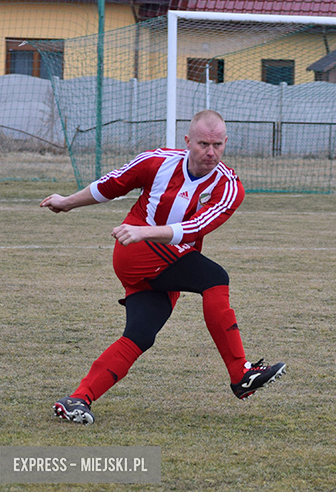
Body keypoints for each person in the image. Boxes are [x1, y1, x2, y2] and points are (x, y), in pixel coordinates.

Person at [41, 110, 286, 425]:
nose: (211, 152)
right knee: (215, 278)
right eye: (203, 144)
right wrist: (66, 202)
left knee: (140, 335)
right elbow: (111, 184)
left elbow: (195, 228)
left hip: (163, 262)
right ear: (187, 141)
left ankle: (78, 399)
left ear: (225, 142)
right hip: (135, 252)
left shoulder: (229, 187)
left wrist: (146, 232)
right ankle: (241, 373)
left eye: (217, 145)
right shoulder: (156, 162)